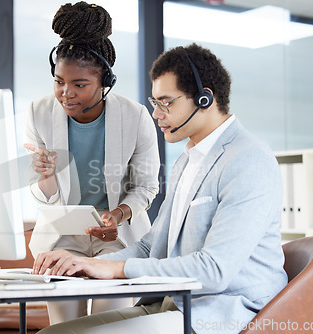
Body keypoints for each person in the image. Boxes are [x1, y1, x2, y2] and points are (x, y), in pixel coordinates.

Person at [31, 43, 288, 334]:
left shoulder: (247, 159)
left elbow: (214, 270)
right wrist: (85, 263)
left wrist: (116, 269)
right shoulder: (187, 160)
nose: (156, 115)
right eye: (155, 103)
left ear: (204, 100)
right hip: (174, 305)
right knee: (53, 333)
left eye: (167, 103)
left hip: (224, 311)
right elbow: (149, 247)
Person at [23, 1, 160, 325]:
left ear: (104, 83)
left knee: (107, 326)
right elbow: (43, 196)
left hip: (115, 235)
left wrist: (117, 215)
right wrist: (44, 177)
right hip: (61, 235)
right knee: (63, 328)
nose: (66, 93)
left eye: (80, 85)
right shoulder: (38, 113)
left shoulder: (135, 115)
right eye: (59, 81)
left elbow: (146, 186)